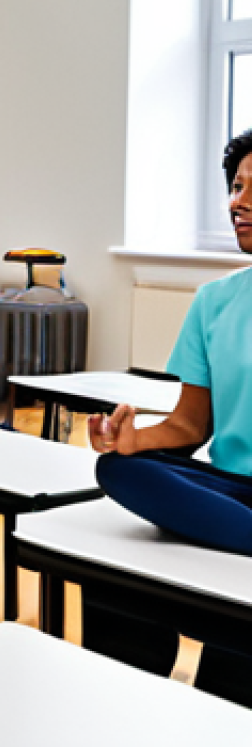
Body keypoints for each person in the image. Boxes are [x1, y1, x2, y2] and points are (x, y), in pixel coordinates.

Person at [85, 125, 252, 706]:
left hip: (227, 506)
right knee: (118, 474)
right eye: (235, 187)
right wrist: (129, 441)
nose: (239, 202)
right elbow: (190, 427)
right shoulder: (215, 302)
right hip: (231, 488)